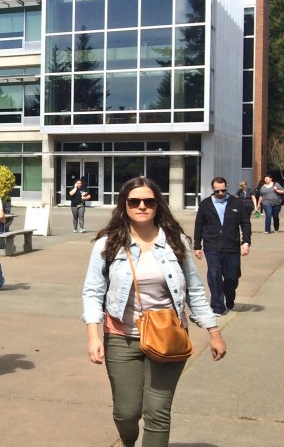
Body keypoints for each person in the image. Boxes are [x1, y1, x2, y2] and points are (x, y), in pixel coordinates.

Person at [83, 176, 226, 447]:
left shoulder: (176, 242)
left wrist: (213, 331)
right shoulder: (107, 244)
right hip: (122, 337)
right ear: (124, 204)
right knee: (126, 412)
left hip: (168, 336)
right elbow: (92, 292)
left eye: (149, 201)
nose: (142, 206)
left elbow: (194, 291)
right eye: (134, 201)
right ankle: (128, 441)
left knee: (158, 412)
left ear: (157, 205)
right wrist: (93, 336)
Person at [192, 177, 252, 315]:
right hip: (211, 245)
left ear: (227, 187)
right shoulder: (205, 204)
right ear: (213, 189)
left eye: (223, 190)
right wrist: (197, 246)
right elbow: (199, 225)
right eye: (217, 190)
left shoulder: (236, 203)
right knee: (214, 275)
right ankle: (217, 305)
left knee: (232, 276)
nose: (220, 193)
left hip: (231, 245)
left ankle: (229, 294)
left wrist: (246, 241)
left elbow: (245, 223)